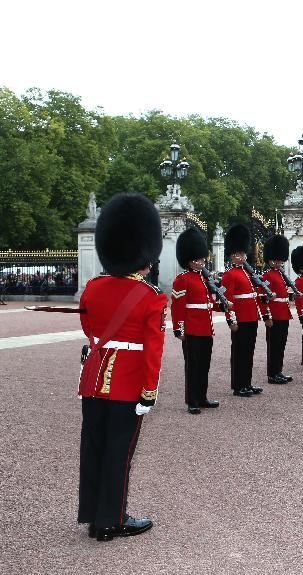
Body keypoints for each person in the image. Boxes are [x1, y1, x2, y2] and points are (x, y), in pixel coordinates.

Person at [77, 192, 166, 541]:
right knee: (120, 452)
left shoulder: (92, 288)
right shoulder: (150, 296)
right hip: (128, 384)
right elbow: (153, 351)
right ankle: (112, 519)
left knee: (94, 447)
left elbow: (90, 333)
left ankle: (93, 516)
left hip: (93, 380)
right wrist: (149, 391)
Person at [171, 226, 231, 414]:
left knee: (204, 364)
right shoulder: (182, 280)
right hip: (191, 328)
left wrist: (223, 306)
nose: (201, 262)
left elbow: (208, 303)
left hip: (206, 327)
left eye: (202, 259)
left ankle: (202, 396)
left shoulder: (205, 280)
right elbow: (177, 307)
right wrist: (178, 329)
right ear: (189, 260)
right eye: (197, 259)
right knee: (193, 365)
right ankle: (192, 400)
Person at [220, 224, 268, 397]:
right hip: (239, 318)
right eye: (238, 254)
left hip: (251, 317)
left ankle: (247, 383)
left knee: (248, 352)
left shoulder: (247, 274)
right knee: (239, 353)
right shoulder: (229, 275)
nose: (241, 257)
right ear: (232, 255)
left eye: (242, 254)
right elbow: (227, 300)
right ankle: (238, 385)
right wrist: (231, 320)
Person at [261, 234, 295, 384]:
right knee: (273, 346)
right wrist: (267, 316)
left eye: (280, 259)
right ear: (270, 260)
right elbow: (262, 298)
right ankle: (272, 374)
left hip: (283, 313)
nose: (279, 262)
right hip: (274, 314)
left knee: (281, 344)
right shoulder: (267, 276)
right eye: (276, 259)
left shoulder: (281, 275)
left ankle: (278, 370)